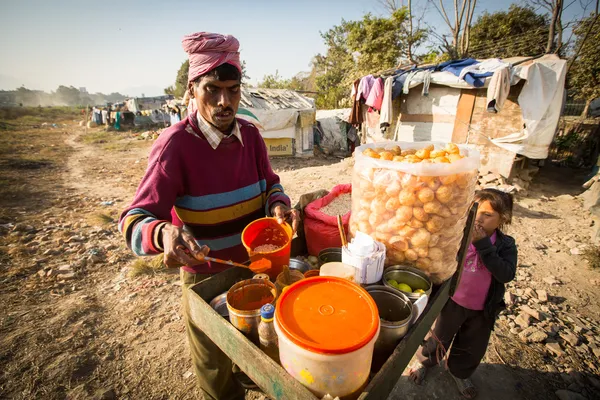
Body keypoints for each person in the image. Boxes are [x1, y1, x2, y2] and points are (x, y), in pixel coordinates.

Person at [118, 31, 299, 400]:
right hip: (207, 283)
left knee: (255, 348)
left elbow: (271, 185)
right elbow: (133, 219)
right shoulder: (175, 146)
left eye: (233, 90)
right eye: (212, 89)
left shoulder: (251, 136)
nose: (224, 102)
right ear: (191, 90)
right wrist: (164, 233)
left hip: (255, 269)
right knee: (215, 371)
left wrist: (278, 204)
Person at [409, 188, 517, 399]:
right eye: (474, 211)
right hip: (452, 301)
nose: (478, 219)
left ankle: (459, 373)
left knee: (472, 345)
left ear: (502, 219)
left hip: (482, 308)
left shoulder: (505, 245)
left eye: (487, 215)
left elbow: (506, 274)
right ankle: (425, 363)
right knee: (438, 337)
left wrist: (483, 245)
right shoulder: (457, 235)